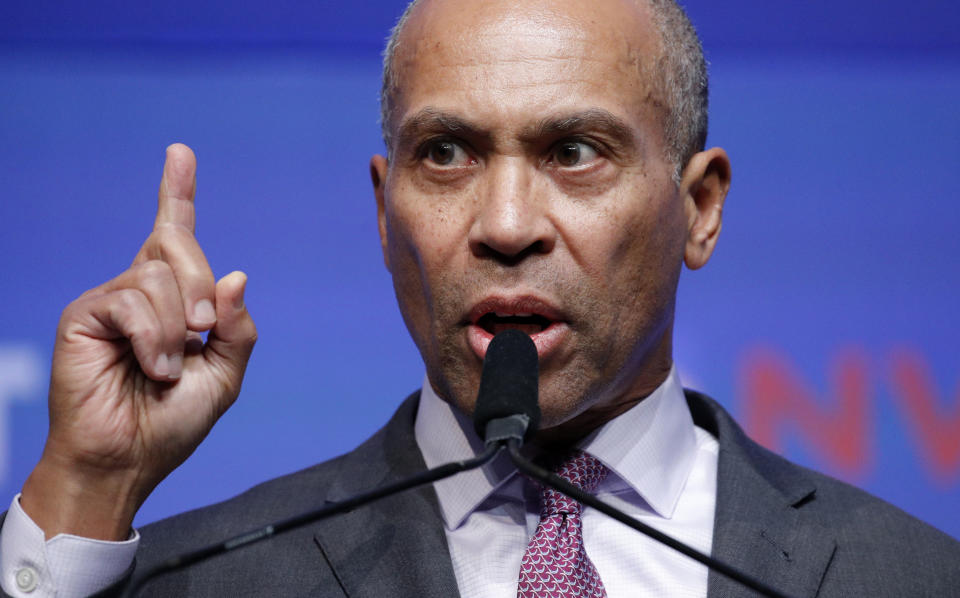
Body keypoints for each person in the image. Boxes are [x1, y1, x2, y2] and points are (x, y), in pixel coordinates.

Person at [2, 0, 959, 596]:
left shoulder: (909, 578)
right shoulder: (202, 580)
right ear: (385, 215)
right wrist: (87, 488)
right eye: (447, 154)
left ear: (700, 208)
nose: (504, 223)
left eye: (574, 152)